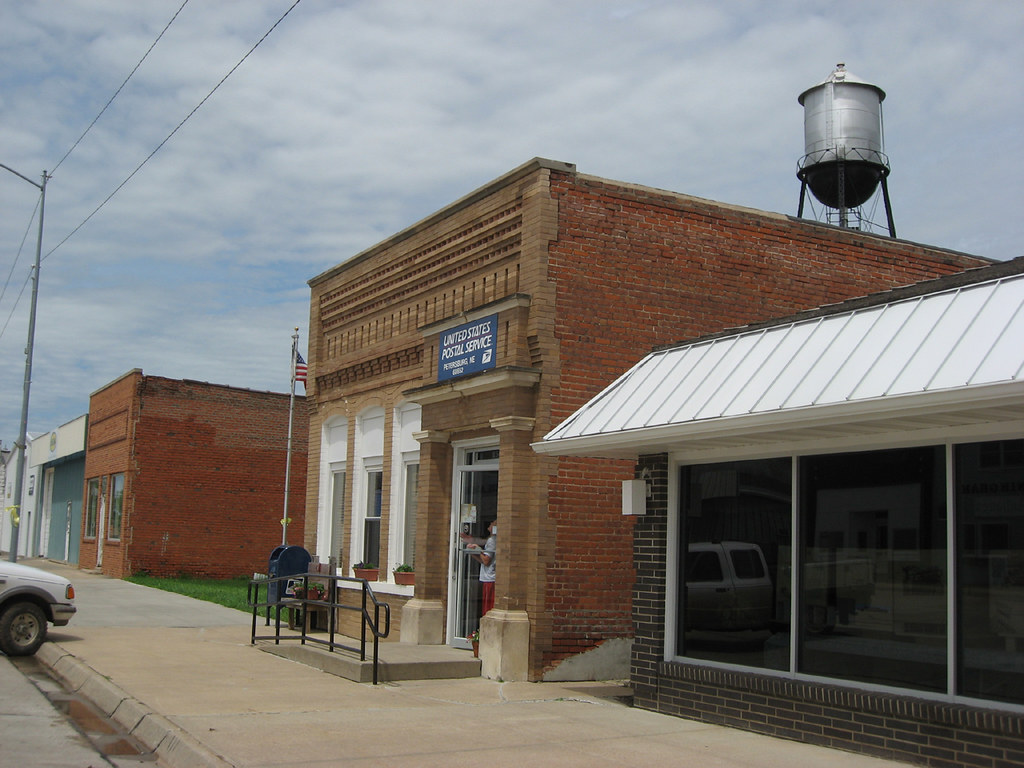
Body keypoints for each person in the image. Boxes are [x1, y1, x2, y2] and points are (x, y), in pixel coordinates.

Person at [460, 519, 496, 616]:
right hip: (487, 577)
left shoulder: (492, 541)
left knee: (488, 609)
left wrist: (479, 550)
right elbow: (482, 561)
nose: (490, 523)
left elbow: (486, 560)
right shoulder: (491, 540)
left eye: (493, 522)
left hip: (490, 578)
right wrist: (472, 552)